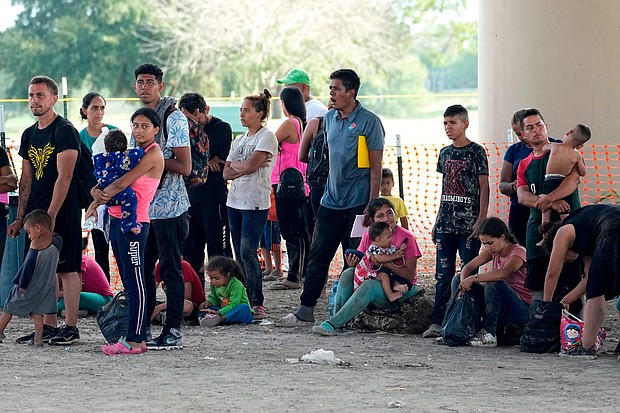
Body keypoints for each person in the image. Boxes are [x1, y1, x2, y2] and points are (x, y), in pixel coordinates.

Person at [280, 69, 385, 327]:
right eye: (330, 88)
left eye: (336, 88)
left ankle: (353, 312)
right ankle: (305, 309)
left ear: (351, 92)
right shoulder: (328, 120)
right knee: (318, 255)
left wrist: (372, 205)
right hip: (329, 200)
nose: (331, 93)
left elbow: (375, 167)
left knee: (356, 257)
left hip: (358, 204)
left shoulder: (369, 122)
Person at [8, 76, 82, 346]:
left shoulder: (64, 130)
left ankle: (71, 326)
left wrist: (50, 216)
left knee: (68, 268)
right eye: (30, 95)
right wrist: (21, 218)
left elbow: (65, 177)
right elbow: (26, 179)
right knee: (42, 269)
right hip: (36, 213)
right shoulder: (29, 134)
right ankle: (48, 326)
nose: (34, 101)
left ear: (53, 98)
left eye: (40, 95)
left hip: (63, 209)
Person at [88, 107, 164, 355]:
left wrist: (97, 199)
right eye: (135, 125)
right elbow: (105, 180)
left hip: (135, 224)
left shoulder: (151, 155)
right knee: (127, 279)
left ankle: (135, 338)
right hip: (117, 220)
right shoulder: (132, 153)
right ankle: (133, 336)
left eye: (144, 126)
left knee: (135, 281)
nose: (139, 130)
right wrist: (95, 193)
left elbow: (121, 182)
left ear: (156, 129)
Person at [132, 63, 191, 351]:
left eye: (150, 82)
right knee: (141, 270)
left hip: (170, 209)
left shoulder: (174, 118)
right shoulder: (139, 120)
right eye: (140, 82)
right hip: (144, 210)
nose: (145, 86)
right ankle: (140, 329)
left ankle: (173, 332)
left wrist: (152, 159)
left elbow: (185, 165)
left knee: (170, 271)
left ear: (161, 86)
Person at [423, 104, 489, 339]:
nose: (448, 128)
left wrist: (481, 219)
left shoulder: (476, 152)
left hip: (468, 225)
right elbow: (445, 189)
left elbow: (484, 187)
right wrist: (437, 221)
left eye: (452, 123)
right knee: (442, 274)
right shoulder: (445, 153)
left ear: (465, 124)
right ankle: (438, 321)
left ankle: (471, 319)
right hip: (446, 224)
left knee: (468, 272)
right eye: (445, 123)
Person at [311, 198, 421, 335]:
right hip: (377, 279)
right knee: (347, 273)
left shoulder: (407, 237)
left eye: (389, 213)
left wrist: (385, 263)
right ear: (373, 220)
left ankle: (332, 324)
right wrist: (353, 263)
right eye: (380, 216)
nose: (387, 218)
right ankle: (337, 320)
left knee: (369, 286)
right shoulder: (368, 236)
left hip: (402, 286)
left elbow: (410, 276)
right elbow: (363, 264)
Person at [516, 108, 582, 309]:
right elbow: (522, 196)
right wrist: (550, 202)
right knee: (538, 286)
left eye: (539, 125)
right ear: (523, 135)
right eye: (530, 127)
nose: (536, 130)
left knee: (572, 287)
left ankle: (574, 334)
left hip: (568, 228)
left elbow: (574, 180)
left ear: (546, 127)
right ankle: (540, 330)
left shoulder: (564, 152)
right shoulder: (523, 164)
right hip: (538, 230)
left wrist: (550, 198)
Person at [223, 90, 278, 320]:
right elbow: (227, 172)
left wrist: (240, 166)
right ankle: (242, 297)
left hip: (255, 201)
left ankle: (257, 301)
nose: (242, 115)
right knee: (239, 252)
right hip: (234, 201)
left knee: (248, 250)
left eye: (247, 110)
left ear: (260, 113)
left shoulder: (266, 137)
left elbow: (251, 166)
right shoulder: (240, 140)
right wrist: (241, 165)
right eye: (241, 110)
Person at [539, 204, 620, 358]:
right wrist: (565, 300)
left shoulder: (563, 231)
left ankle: (587, 347)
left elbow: (551, 273)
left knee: (596, 291)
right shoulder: (588, 232)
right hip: (612, 221)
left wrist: (547, 305)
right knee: (596, 283)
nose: (568, 260)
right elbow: (589, 277)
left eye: (565, 258)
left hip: (613, 224)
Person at [449, 217, 531, 347]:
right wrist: (464, 282)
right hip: (499, 305)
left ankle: (489, 333)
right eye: (484, 244)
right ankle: (457, 328)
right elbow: (468, 267)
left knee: (493, 283)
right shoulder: (492, 251)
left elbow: (503, 273)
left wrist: (474, 278)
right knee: (456, 279)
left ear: (503, 238)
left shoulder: (518, 252)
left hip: (520, 309)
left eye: (490, 243)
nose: (487, 247)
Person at [179, 92, 233, 287]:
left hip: (214, 198)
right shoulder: (181, 130)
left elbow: (217, 159)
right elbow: (199, 160)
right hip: (189, 199)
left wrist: (193, 161)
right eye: (187, 120)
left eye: (197, 120)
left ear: (206, 110)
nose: (192, 126)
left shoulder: (221, 128)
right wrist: (203, 162)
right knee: (191, 252)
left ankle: (227, 295)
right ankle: (196, 296)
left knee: (218, 251)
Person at [0, 210, 60, 347]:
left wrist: (22, 284)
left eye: (28, 232)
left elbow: (28, 267)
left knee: (9, 307)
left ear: (38, 228)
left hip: (28, 284)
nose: (28, 236)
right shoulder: (57, 242)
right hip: (44, 286)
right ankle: (38, 340)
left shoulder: (35, 246)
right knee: (37, 312)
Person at [270, 86, 310, 290]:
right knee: (300, 231)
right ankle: (301, 273)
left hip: (288, 183)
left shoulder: (289, 123)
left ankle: (294, 275)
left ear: (285, 104)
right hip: (299, 183)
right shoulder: (302, 123)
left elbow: (269, 142)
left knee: (291, 231)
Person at [78, 92, 117, 280]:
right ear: (85, 111)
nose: (99, 112)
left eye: (102, 108)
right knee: (100, 243)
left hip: (116, 194)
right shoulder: (79, 138)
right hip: (91, 196)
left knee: (118, 243)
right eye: (94, 108)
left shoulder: (112, 133)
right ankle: (105, 288)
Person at [92, 130, 144, 234]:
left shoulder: (100, 158)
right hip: (115, 193)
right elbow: (125, 167)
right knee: (131, 198)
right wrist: (139, 151)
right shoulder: (120, 158)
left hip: (104, 194)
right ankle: (128, 224)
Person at [539, 124, 590, 226]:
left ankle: (544, 236)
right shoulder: (576, 155)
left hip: (549, 180)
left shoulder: (554, 146)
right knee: (564, 212)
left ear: (568, 132)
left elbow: (543, 148)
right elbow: (583, 172)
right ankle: (566, 230)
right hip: (563, 184)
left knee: (545, 209)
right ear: (580, 146)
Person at [353, 221, 409, 302]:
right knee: (384, 276)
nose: (391, 239)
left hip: (376, 271)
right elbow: (381, 259)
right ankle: (390, 295)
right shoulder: (374, 248)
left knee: (392, 276)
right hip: (366, 273)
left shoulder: (386, 247)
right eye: (388, 237)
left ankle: (396, 286)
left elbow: (393, 252)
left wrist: (401, 250)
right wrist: (396, 255)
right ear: (378, 239)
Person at [499, 109, 531, 246]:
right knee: (518, 248)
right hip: (520, 209)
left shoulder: (555, 147)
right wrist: (515, 185)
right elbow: (502, 185)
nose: (522, 137)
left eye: (524, 132)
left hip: (546, 208)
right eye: (518, 134)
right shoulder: (514, 150)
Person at [58, 237, 114, 316]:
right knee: (73, 297)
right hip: (95, 298)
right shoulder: (75, 260)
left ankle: (52, 310)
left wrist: (57, 294)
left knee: (77, 297)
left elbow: (76, 291)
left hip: (104, 300)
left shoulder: (79, 261)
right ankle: (79, 310)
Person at [198, 256, 253, 327]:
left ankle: (219, 319)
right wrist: (208, 303)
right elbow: (214, 297)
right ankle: (208, 317)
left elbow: (234, 304)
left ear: (227, 275)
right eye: (211, 278)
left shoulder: (236, 285)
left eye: (216, 278)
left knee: (244, 308)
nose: (213, 281)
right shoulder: (214, 284)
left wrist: (219, 312)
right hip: (223, 309)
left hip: (235, 309)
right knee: (202, 309)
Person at [151, 257, 207, 325]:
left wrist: (159, 308)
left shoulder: (183, 266)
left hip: (192, 305)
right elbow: (151, 290)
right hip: (171, 304)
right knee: (148, 304)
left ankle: (164, 317)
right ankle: (163, 317)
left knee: (187, 305)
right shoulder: (160, 265)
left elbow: (186, 297)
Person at [0, 146, 18, 271]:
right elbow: (9, 180)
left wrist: (8, 179)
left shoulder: (0, 152)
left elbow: (12, 183)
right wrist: (5, 179)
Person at [260, 188, 283, 281]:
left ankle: (278, 269)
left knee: (273, 244)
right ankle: (268, 267)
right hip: (262, 214)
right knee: (263, 244)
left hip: (272, 215)